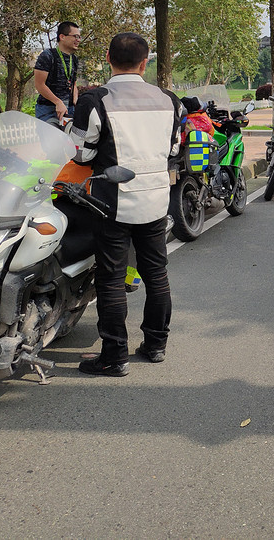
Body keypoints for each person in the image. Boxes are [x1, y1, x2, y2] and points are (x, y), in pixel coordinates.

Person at [69, 33, 182, 376]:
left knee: (112, 278)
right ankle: (156, 344)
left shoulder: (95, 100)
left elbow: (80, 153)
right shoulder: (169, 100)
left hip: (111, 204)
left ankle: (114, 356)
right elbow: (173, 151)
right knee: (156, 274)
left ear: (108, 57)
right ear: (145, 62)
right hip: (156, 200)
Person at [34, 21, 81, 127]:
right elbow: (39, 85)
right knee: (51, 142)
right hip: (48, 109)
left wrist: (75, 99)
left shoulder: (74, 59)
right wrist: (58, 102)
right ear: (62, 36)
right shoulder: (48, 55)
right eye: (76, 36)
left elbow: (73, 83)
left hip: (69, 110)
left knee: (69, 142)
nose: (78, 40)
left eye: (79, 37)